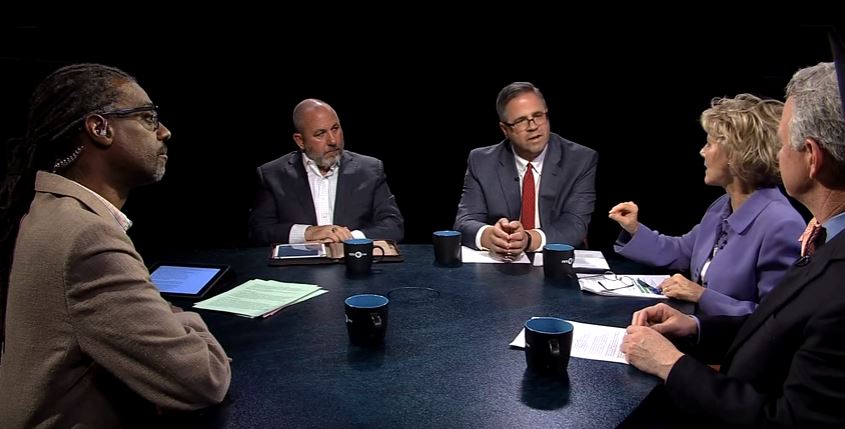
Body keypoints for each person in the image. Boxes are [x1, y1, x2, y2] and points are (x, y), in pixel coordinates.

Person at [0, 64, 231, 428]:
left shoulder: (50, 209)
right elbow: (203, 379)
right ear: (100, 128)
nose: (165, 132)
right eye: (148, 118)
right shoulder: (84, 235)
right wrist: (184, 321)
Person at [621, 62, 845, 427]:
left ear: (812, 157)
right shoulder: (721, 208)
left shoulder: (787, 225)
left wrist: (673, 357)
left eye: (784, 144)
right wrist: (694, 327)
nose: (777, 155)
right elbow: (776, 325)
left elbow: (774, 337)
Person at [608, 94, 804, 316]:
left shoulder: (781, 223)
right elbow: (682, 251)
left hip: (730, 347)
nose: (702, 151)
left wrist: (701, 296)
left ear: (735, 154)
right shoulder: (722, 206)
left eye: (709, 144)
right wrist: (633, 229)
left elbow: (775, 318)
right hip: (698, 332)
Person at [454, 82, 597, 259]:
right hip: (500, 264)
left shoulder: (580, 160)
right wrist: (489, 236)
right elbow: (464, 222)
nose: (533, 126)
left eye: (538, 116)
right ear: (505, 129)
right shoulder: (481, 161)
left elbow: (576, 224)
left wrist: (529, 239)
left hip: (556, 261)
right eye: (521, 121)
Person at [248, 98, 404, 245]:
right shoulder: (272, 175)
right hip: (296, 271)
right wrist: (308, 233)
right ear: (300, 141)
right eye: (320, 134)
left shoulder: (370, 170)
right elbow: (259, 231)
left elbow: (393, 225)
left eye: (335, 129)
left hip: (354, 265)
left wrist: (349, 238)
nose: (333, 141)